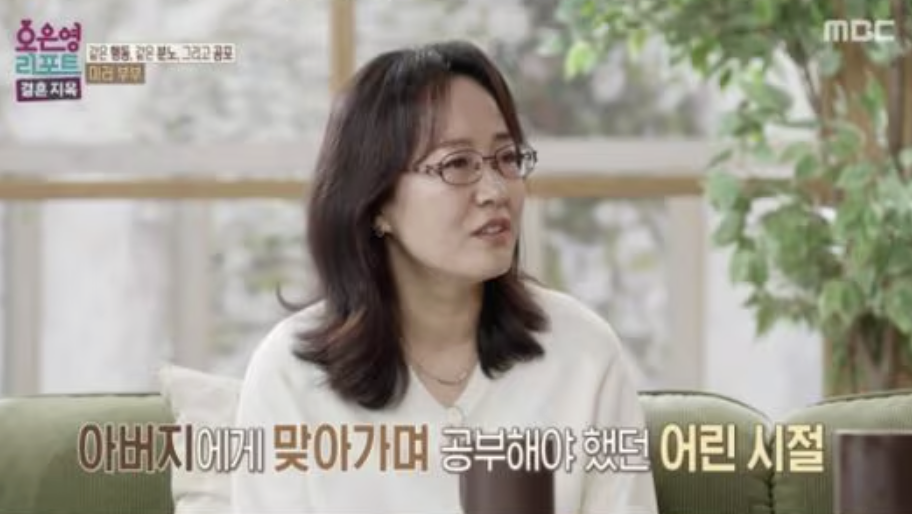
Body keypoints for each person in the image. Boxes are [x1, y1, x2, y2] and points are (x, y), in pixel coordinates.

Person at [231, 40, 658, 514]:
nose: (495, 190)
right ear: (377, 203)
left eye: (506, 158)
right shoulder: (291, 374)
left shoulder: (582, 353)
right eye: (457, 164)